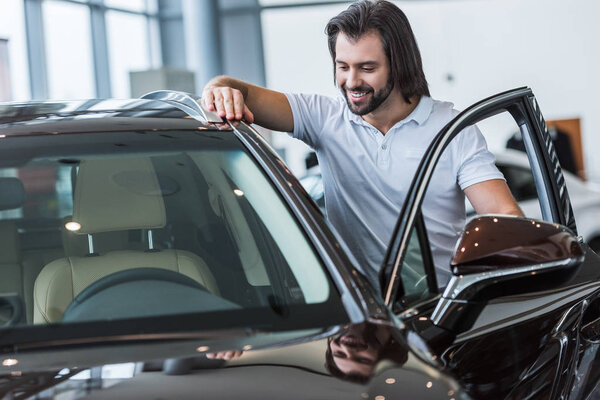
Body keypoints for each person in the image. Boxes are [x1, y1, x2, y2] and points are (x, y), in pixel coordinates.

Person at [202, 0, 522, 289]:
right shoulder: (323, 119)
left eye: (367, 68)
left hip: (437, 311)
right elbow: (241, 91)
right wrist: (218, 88)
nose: (352, 82)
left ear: (399, 65)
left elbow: (504, 215)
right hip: (358, 316)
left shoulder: (454, 130)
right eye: (343, 67)